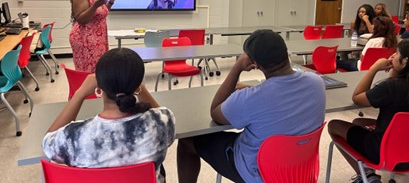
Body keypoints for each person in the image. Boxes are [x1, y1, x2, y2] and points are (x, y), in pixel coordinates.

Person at [176, 29, 326, 183]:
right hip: (300, 169)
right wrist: (254, 89)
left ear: (255, 63)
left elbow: (215, 112)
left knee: (187, 141)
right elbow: (281, 94)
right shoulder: (317, 83)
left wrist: (237, 68)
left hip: (258, 173)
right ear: (285, 52)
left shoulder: (252, 98)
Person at [42, 48, 175, 183]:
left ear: (99, 86)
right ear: (137, 85)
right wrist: (138, 87)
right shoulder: (161, 122)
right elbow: (163, 119)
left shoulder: (75, 137)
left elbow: (47, 143)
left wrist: (80, 93)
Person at [328, 39, 409, 182]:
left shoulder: (391, 87)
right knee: (358, 122)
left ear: (404, 61)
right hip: (406, 155)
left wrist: (373, 68)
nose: (392, 56)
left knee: (333, 125)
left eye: (397, 53)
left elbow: (357, 98)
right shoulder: (396, 85)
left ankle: (368, 176)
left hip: (382, 153)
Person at [69, 0, 116, 72]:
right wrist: (95, 5)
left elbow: (100, 13)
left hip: (97, 38)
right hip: (84, 38)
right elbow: (81, 19)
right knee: (88, 70)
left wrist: (110, 3)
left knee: (99, 68)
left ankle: (98, 88)